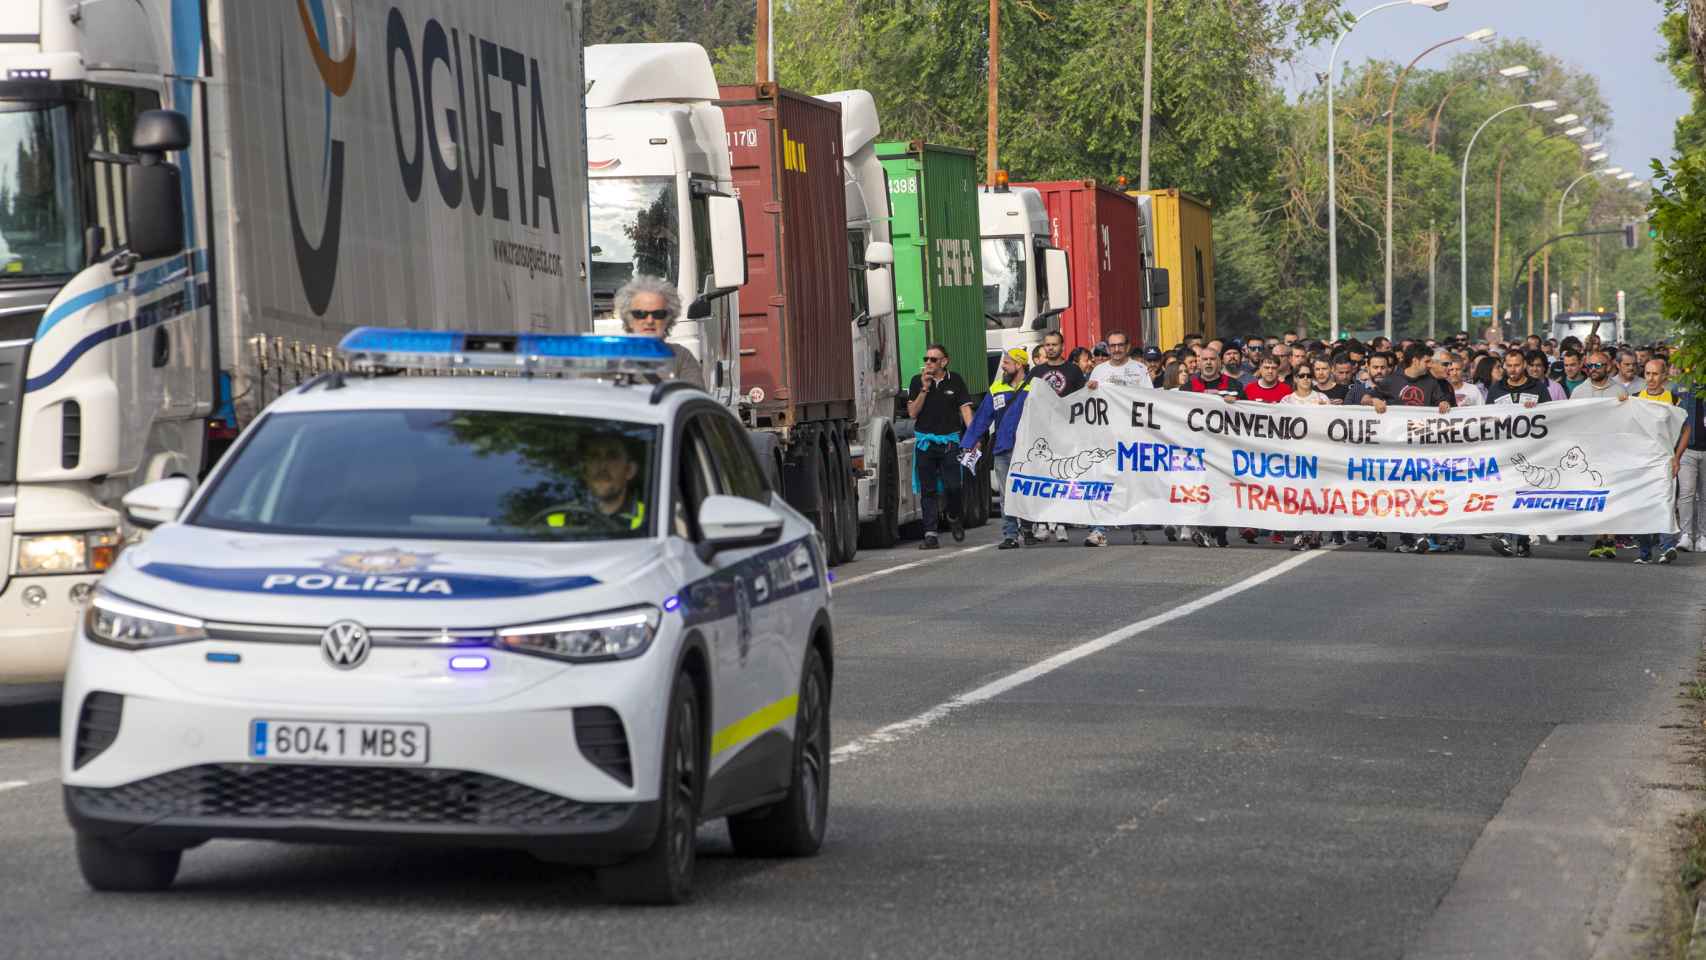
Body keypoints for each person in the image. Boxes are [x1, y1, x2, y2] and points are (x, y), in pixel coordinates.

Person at [1083, 331, 1152, 546]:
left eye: (1120, 345)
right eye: (1112, 346)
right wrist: (1090, 389)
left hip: (1132, 437)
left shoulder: (1139, 370)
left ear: (1128, 346)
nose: (1116, 350)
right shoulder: (1099, 370)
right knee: (1102, 482)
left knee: (1132, 484)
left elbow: (1150, 399)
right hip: (1106, 437)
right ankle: (1098, 530)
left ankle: (1137, 527)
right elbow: (1089, 401)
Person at [962, 348, 1031, 550]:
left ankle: (1027, 529)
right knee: (1006, 495)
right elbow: (982, 417)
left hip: (1027, 451)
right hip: (1002, 449)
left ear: (1019, 365)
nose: (1003, 366)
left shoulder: (1034, 387)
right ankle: (1010, 534)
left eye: (1007, 362)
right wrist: (970, 442)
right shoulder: (996, 389)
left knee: (1026, 492)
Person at [907, 343, 974, 550]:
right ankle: (930, 534)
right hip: (926, 443)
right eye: (926, 359)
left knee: (954, 486)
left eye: (933, 359)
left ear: (944, 362)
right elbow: (912, 413)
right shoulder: (917, 381)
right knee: (928, 490)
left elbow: (965, 410)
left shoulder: (956, 380)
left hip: (949, 442)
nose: (928, 363)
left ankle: (954, 515)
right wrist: (924, 389)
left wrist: (972, 436)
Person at [1486, 350, 1550, 559]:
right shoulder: (1496, 389)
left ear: (1524, 365)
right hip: (1504, 452)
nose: (1513, 370)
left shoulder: (1538, 387)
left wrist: (1538, 409)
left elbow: (1551, 415)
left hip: (1530, 451)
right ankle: (1503, 535)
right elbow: (1485, 418)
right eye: (1509, 366)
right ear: (1504, 366)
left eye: (1517, 365)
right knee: (1504, 494)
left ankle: (1523, 540)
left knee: (1524, 496)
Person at [1632, 358, 1691, 564]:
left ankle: (1667, 547)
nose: (1651, 378)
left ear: (1664, 376)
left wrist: (1677, 456)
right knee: (1641, 504)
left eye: (1655, 374)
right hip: (1641, 461)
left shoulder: (1673, 399)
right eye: (1647, 373)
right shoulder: (1635, 398)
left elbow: (1686, 429)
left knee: (1665, 502)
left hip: (1664, 460)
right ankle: (1645, 553)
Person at [614, 275, 704, 388]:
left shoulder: (681, 357)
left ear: (668, 319)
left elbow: (694, 401)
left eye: (658, 314)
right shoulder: (610, 357)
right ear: (629, 319)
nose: (650, 320)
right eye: (640, 314)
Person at [581, 434, 647, 531]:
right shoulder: (560, 515)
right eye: (594, 456)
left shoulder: (650, 519)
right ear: (584, 470)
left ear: (630, 470)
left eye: (612, 457)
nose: (602, 466)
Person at [1030, 331, 1087, 396]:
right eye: (1047, 345)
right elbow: (1026, 395)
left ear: (1062, 347)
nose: (1050, 348)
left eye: (1054, 345)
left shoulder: (1074, 369)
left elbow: (1083, 395)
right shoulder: (1035, 371)